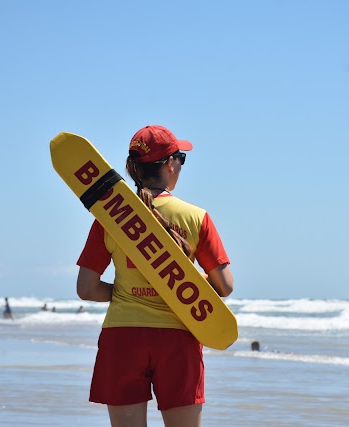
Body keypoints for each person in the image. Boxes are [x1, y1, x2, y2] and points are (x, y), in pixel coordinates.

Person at [76, 125, 233, 427]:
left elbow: (86, 288)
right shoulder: (195, 217)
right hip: (178, 337)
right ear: (171, 164)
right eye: (181, 159)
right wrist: (175, 286)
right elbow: (224, 286)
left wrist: (124, 291)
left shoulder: (109, 217)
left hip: (122, 336)